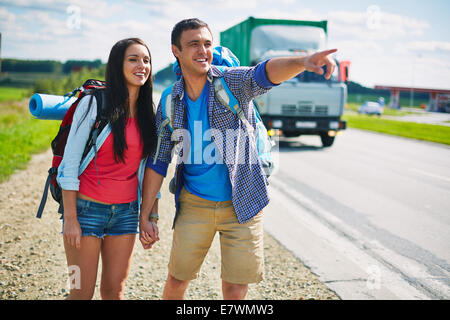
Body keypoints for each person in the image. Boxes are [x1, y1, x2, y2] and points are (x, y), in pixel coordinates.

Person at [139, 18, 337, 300]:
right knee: (177, 280)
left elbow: (263, 73)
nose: (202, 50)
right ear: (176, 51)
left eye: (207, 43)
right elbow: (158, 160)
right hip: (194, 204)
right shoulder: (172, 99)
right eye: (193, 44)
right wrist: (148, 214)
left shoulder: (230, 82)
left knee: (235, 289)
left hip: (243, 200)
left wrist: (304, 61)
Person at [57, 38, 159, 300]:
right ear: (118, 64)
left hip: (125, 214)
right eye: (133, 59)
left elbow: (150, 169)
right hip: (85, 212)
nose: (142, 66)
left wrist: (150, 215)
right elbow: (69, 165)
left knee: (114, 292)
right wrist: (70, 219)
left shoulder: (149, 112)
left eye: (146, 60)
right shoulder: (93, 104)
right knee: (80, 292)